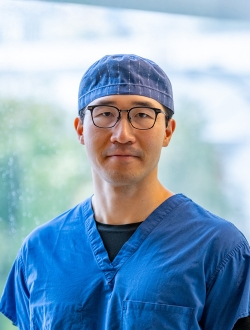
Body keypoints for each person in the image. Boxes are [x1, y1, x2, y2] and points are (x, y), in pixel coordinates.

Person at [0, 54, 250, 330]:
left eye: (142, 115)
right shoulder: (41, 250)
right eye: (106, 113)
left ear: (167, 131)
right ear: (80, 129)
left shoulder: (219, 249)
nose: (122, 134)